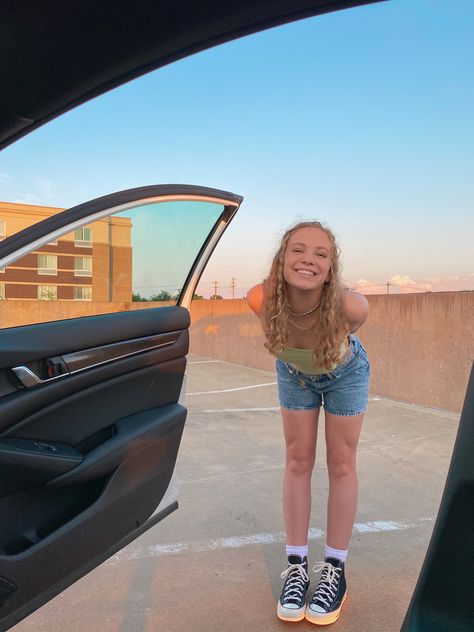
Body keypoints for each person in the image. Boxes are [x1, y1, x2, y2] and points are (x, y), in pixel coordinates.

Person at [247, 220, 370, 626]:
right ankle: (297, 567)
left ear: (331, 269)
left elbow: (344, 336)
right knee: (298, 460)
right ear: (282, 258)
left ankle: (335, 570)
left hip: (345, 373)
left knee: (341, 463)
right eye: (298, 249)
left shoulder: (350, 307)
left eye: (321, 254)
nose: (308, 260)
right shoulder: (260, 299)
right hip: (294, 375)